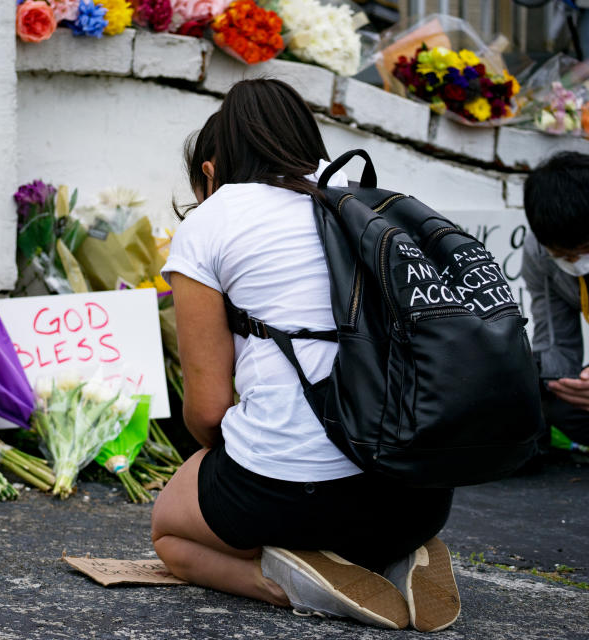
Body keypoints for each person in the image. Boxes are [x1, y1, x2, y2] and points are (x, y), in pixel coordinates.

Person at [151, 79, 460, 632]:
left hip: (292, 495)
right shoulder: (368, 205)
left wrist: (243, 459)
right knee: (360, 502)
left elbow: (206, 410)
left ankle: (287, 578)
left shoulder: (211, 220)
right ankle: (399, 550)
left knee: (170, 535)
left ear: (211, 168)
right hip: (421, 489)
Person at [521, 151, 589, 451]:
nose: (574, 262)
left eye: (584, 249)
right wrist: (556, 381)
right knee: (541, 392)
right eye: (562, 254)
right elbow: (555, 339)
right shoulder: (538, 251)